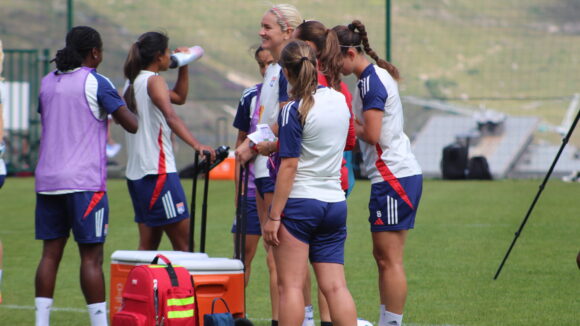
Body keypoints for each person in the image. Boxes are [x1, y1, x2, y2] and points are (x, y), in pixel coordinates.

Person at [34, 26, 138, 326]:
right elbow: (131, 125)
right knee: (91, 258)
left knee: (49, 255)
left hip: (47, 181)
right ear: (94, 52)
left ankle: (41, 322)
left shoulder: (46, 82)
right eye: (101, 51)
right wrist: (123, 98)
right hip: (84, 183)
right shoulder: (96, 82)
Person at [334, 20, 423, 326]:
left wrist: (340, 115)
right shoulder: (368, 78)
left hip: (394, 177)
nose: (331, 65)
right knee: (383, 257)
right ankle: (387, 321)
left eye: (334, 57)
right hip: (392, 176)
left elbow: (371, 134)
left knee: (389, 259)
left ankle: (392, 323)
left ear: (348, 53)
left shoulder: (371, 81)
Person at [263, 39, 357, 326]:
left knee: (289, 287)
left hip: (301, 205)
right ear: (316, 64)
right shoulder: (340, 99)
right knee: (335, 287)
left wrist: (273, 216)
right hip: (334, 204)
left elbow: (289, 166)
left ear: (287, 74)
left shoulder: (294, 110)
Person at [123, 31, 215, 252]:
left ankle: (136, 287)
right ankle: (185, 288)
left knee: (148, 246)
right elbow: (171, 115)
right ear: (158, 56)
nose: (169, 57)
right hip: (158, 174)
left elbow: (179, 97)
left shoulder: (132, 81)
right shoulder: (154, 81)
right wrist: (197, 145)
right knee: (185, 247)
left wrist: (185, 63)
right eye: (167, 52)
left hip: (138, 176)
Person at [231, 46, 274, 286]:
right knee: (240, 260)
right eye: (261, 65)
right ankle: (236, 318)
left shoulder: (290, 97)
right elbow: (240, 147)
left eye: (271, 63)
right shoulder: (250, 96)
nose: (266, 69)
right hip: (249, 191)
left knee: (277, 260)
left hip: (277, 189)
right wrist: (238, 194)